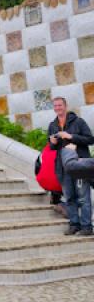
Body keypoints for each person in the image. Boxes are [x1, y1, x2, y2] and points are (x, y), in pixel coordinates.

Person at [48, 97, 94, 236]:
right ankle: (74, 225)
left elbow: (90, 139)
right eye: (55, 106)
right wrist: (53, 142)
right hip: (63, 168)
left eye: (60, 105)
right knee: (69, 198)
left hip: (79, 166)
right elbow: (52, 147)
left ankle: (87, 227)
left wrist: (71, 136)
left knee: (83, 197)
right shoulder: (52, 125)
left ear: (65, 106)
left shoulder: (78, 121)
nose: (58, 108)